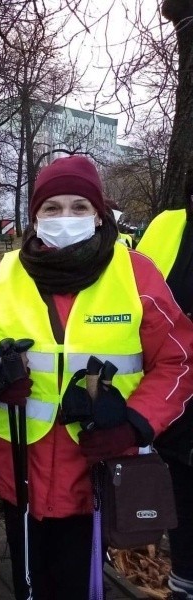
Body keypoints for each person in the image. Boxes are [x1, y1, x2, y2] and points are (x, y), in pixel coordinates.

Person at [0, 155, 193, 600]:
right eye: (52, 208)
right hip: (17, 465)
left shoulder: (136, 273)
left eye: (78, 207)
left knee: (76, 584)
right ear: (34, 217)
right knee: (28, 582)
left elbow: (179, 360)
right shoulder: (5, 273)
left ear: (98, 214)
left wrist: (135, 423)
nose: (64, 218)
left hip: (95, 469)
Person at [136, 177, 193, 600]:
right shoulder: (169, 224)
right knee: (184, 493)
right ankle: (184, 581)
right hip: (179, 393)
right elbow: (140, 301)